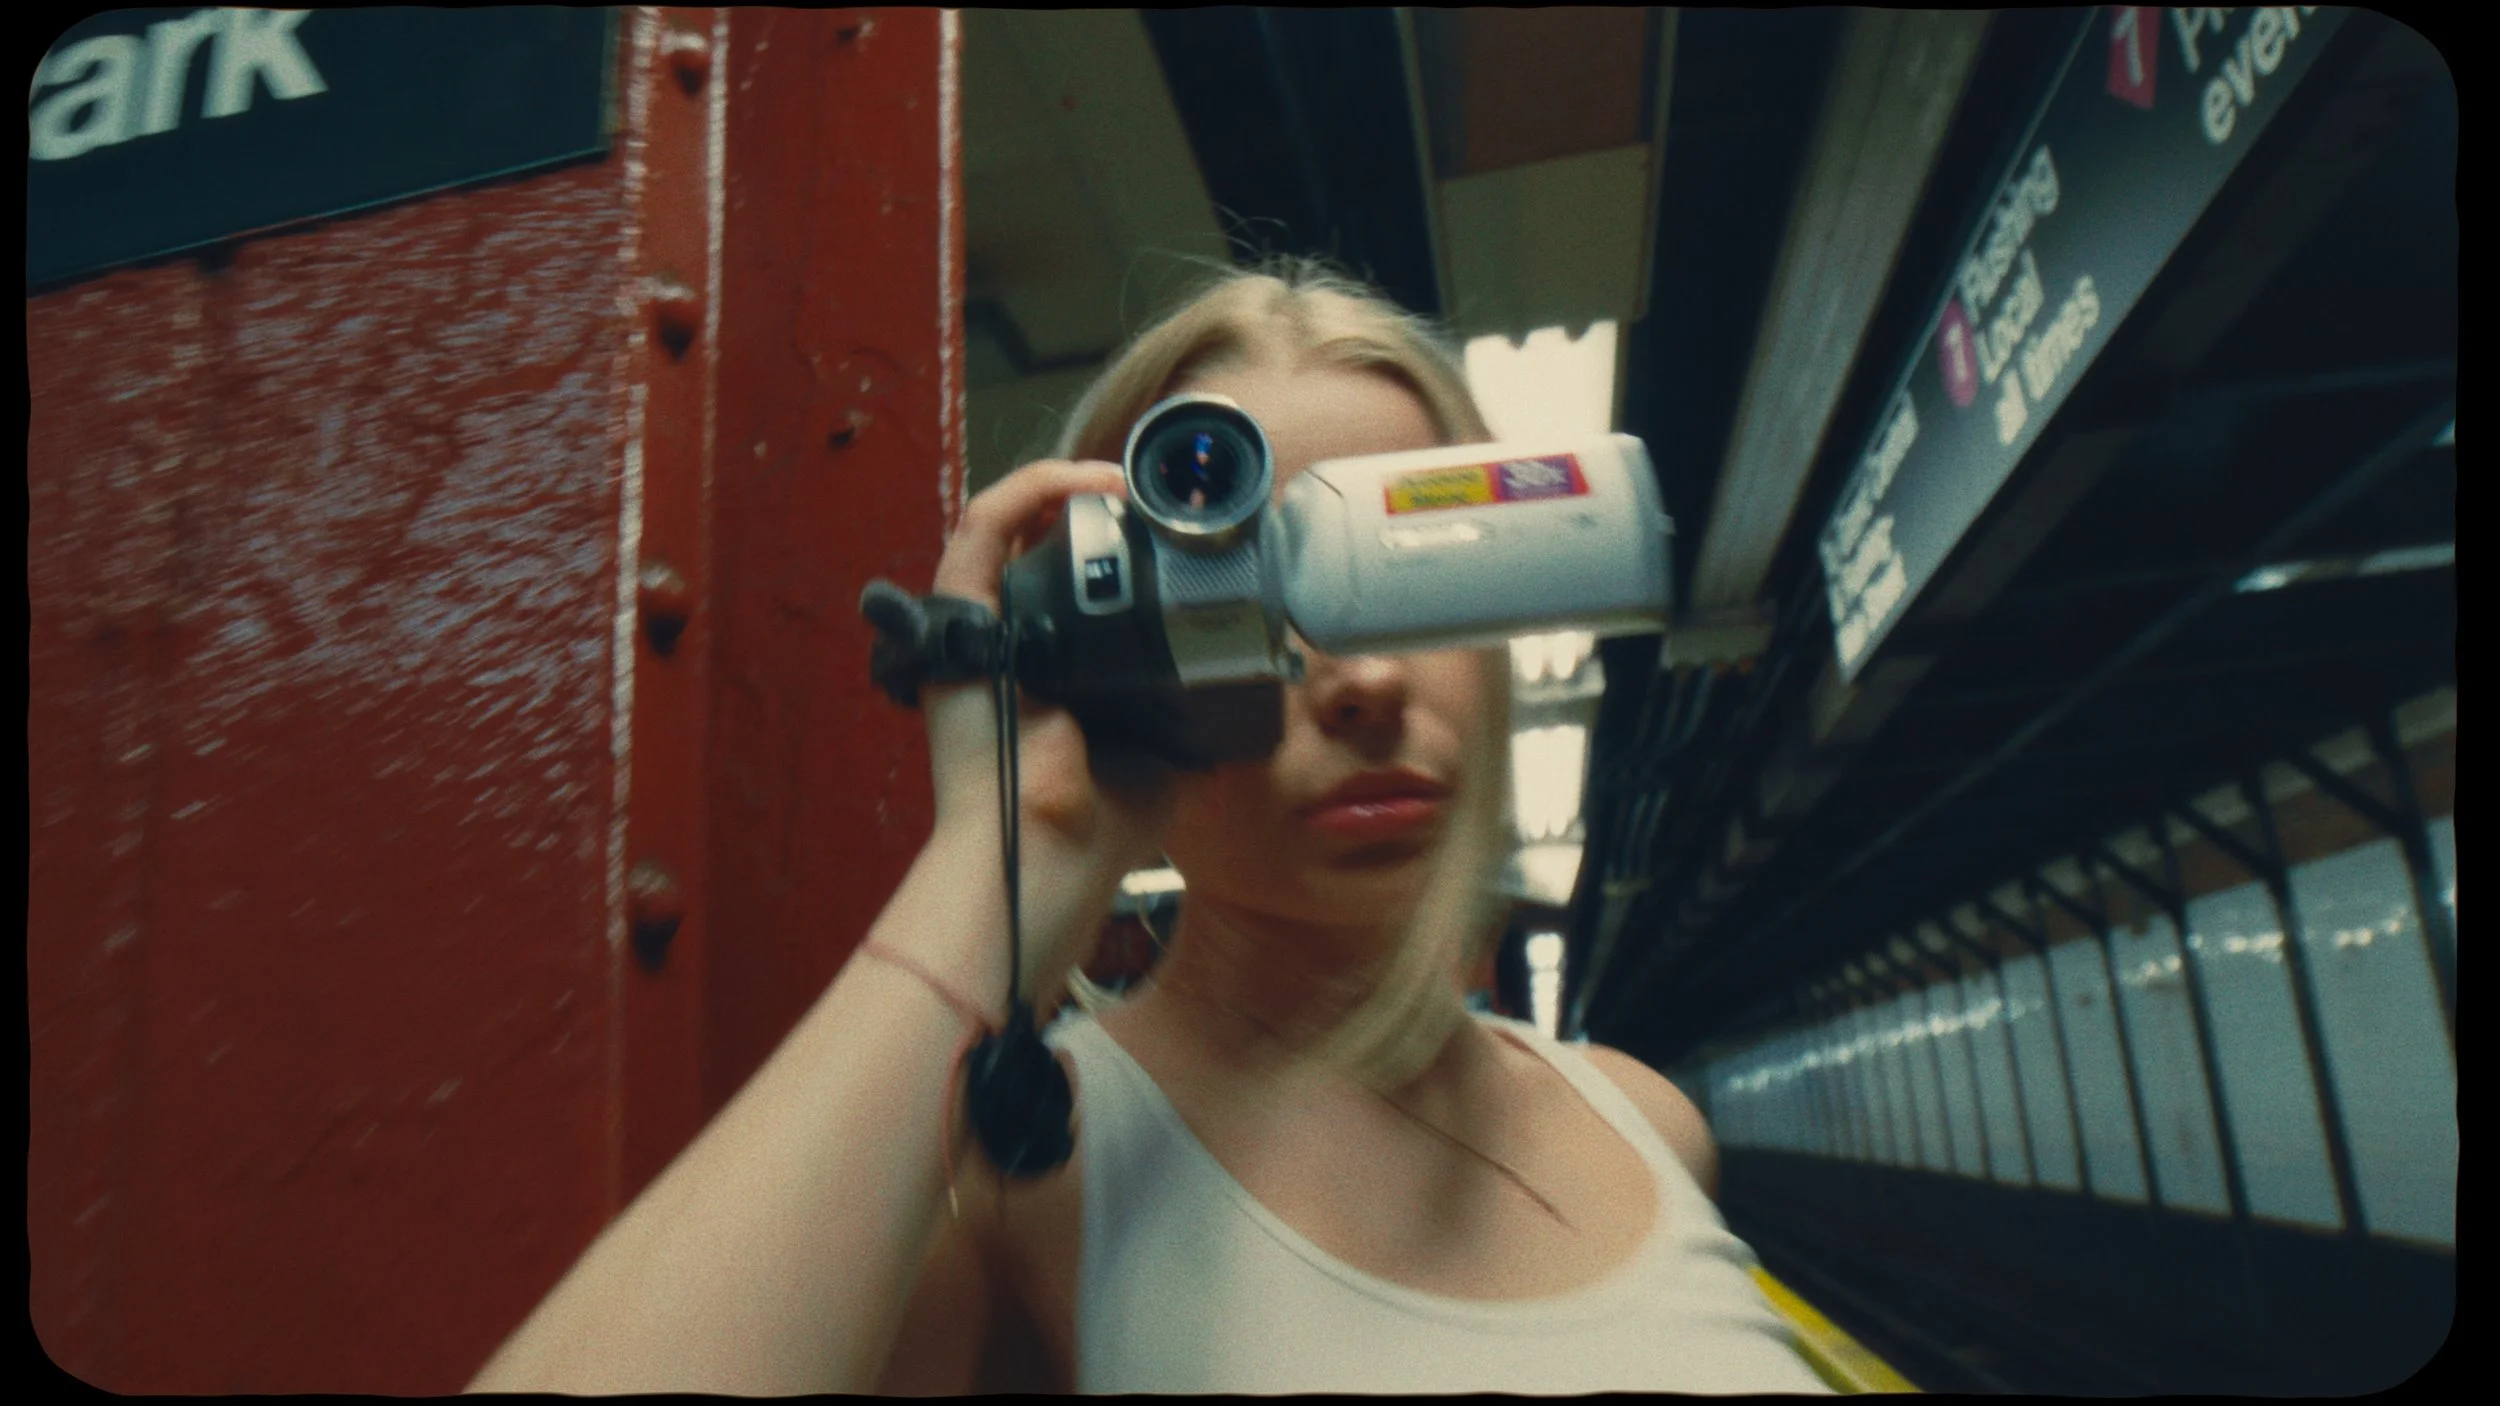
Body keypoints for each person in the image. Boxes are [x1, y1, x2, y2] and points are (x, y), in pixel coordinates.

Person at [466, 258, 1833, 1396]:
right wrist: (1001, 863)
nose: (1359, 679)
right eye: (1252, 592)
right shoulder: (1030, 1188)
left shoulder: (1649, 1121)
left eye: (1399, 580)